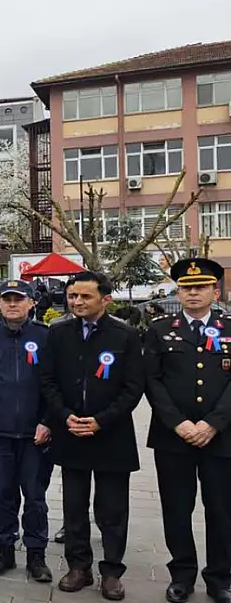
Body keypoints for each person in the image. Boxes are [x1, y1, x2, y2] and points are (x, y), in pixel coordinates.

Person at [41, 271, 142, 600]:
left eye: (85, 296)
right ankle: (78, 566)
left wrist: (101, 421)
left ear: (105, 299)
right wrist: (64, 416)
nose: (77, 302)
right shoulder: (58, 334)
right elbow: (48, 382)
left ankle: (111, 571)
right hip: (71, 432)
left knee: (112, 509)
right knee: (73, 505)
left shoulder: (125, 336)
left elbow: (132, 388)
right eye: (73, 296)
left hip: (111, 435)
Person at [145, 258, 231, 603]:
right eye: (186, 287)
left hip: (221, 436)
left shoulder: (229, 327)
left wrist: (213, 422)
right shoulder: (160, 328)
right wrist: (177, 422)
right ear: (177, 291)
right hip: (173, 437)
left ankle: (220, 577)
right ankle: (181, 575)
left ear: (216, 290)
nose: (193, 292)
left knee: (222, 509)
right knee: (177, 508)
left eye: (200, 287)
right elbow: (152, 380)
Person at [0, 280, 53, 583]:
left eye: (19, 299)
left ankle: (36, 555)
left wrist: (48, 421)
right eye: (7, 299)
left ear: (31, 303)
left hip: (35, 436)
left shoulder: (45, 337)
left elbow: (53, 387)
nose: (12, 304)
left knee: (35, 498)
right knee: (2, 496)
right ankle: (3, 550)